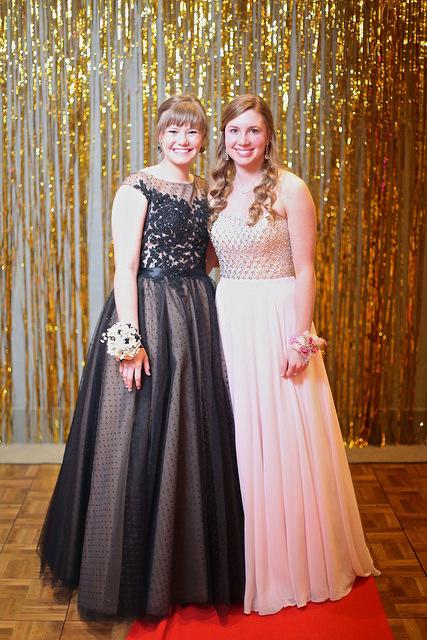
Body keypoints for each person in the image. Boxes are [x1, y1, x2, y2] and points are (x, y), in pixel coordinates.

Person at [38, 94, 245, 621]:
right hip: (148, 312)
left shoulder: (206, 194)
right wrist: (129, 342)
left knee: (190, 438)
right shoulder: (136, 188)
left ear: (204, 139)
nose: (183, 140)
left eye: (192, 132)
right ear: (159, 136)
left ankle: (182, 569)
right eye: (173, 131)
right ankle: (132, 568)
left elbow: (213, 258)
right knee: (137, 435)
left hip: (195, 315)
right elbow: (124, 269)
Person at [209, 94, 379, 616]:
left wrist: (300, 338)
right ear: (223, 137)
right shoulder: (214, 191)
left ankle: (292, 560)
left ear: (269, 136)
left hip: (278, 317)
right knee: (240, 432)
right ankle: (243, 557)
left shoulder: (291, 188)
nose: (243, 141)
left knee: (284, 434)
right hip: (231, 315)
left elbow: (307, 269)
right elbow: (207, 259)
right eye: (234, 131)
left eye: (253, 131)